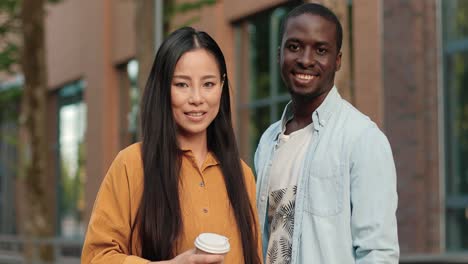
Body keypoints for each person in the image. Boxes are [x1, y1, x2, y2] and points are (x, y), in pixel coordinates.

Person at [82, 27, 262, 264]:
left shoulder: (242, 175)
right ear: (163, 88)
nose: (197, 98)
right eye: (182, 85)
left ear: (221, 85)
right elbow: (96, 257)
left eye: (208, 84)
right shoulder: (132, 164)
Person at [254, 3, 399, 264]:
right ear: (279, 54)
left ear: (337, 60)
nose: (306, 59)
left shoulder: (362, 139)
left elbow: (378, 253)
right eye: (294, 46)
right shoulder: (267, 142)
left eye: (320, 50)